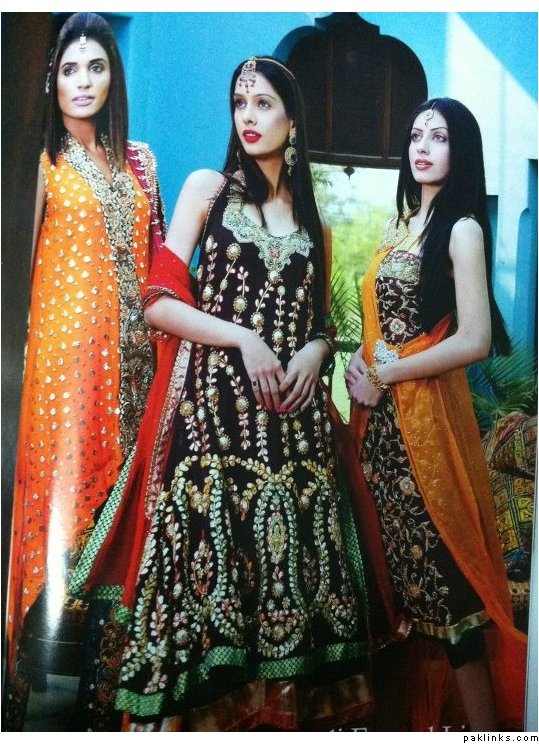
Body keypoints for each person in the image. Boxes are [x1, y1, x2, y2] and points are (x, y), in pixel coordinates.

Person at [68, 55, 373, 732]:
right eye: (239, 103)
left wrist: (317, 350)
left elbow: (321, 323)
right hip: (211, 422)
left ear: (293, 121)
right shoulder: (209, 191)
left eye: (263, 104)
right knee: (208, 580)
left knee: (287, 584)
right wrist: (243, 339)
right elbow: (158, 300)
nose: (248, 117)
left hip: (293, 432)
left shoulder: (314, 222)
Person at [345, 97, 527, 731]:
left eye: (439, 137)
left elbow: (474, 339)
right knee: (391, 594)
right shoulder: (398, 224)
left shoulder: (462, 229)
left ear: (462, 150)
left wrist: (388, 373)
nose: (422, 147)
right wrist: (361, 364)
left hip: (425, 430)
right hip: (378, 433)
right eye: (416, 135)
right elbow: (381, 329)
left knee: (451, 594)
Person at [4, 12, 164, 729]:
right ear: (50, 79)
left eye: (96, 67)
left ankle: (105, 706)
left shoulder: (139, 162)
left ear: (113, 77)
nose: (82, 81)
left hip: (136, 373)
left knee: (123, 537)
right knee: (55, 529)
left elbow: (159, 267)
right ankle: (21, 701)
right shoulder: (42, 162)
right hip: (60, 385)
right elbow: (14, 274)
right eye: (69, 68)